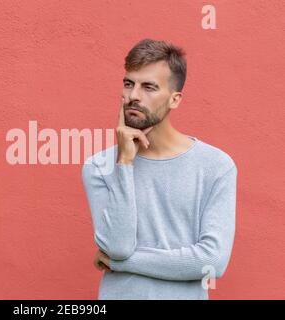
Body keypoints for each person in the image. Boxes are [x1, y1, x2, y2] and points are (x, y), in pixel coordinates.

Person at [81, 38, 238, 300]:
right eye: (129, 84)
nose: (133, 96)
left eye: (149, 87)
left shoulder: (216, 166)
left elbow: (212, 260)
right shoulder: (98, 167)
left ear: (175, 99)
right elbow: (118, 247)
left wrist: (122, 264)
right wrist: (125, 163)